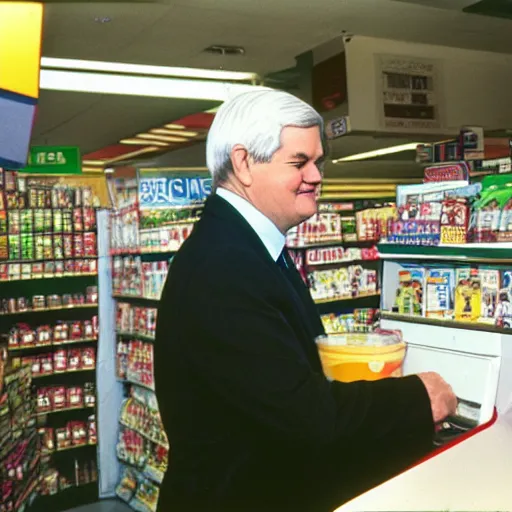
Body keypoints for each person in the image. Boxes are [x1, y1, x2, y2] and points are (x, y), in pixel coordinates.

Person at [153, 89, 457, 512]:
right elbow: (304, 414)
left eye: (318, 161)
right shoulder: (224, 266)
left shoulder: (245, 248)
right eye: (299, 162)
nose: (316, 176)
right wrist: (416, 398)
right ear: (243, 164)